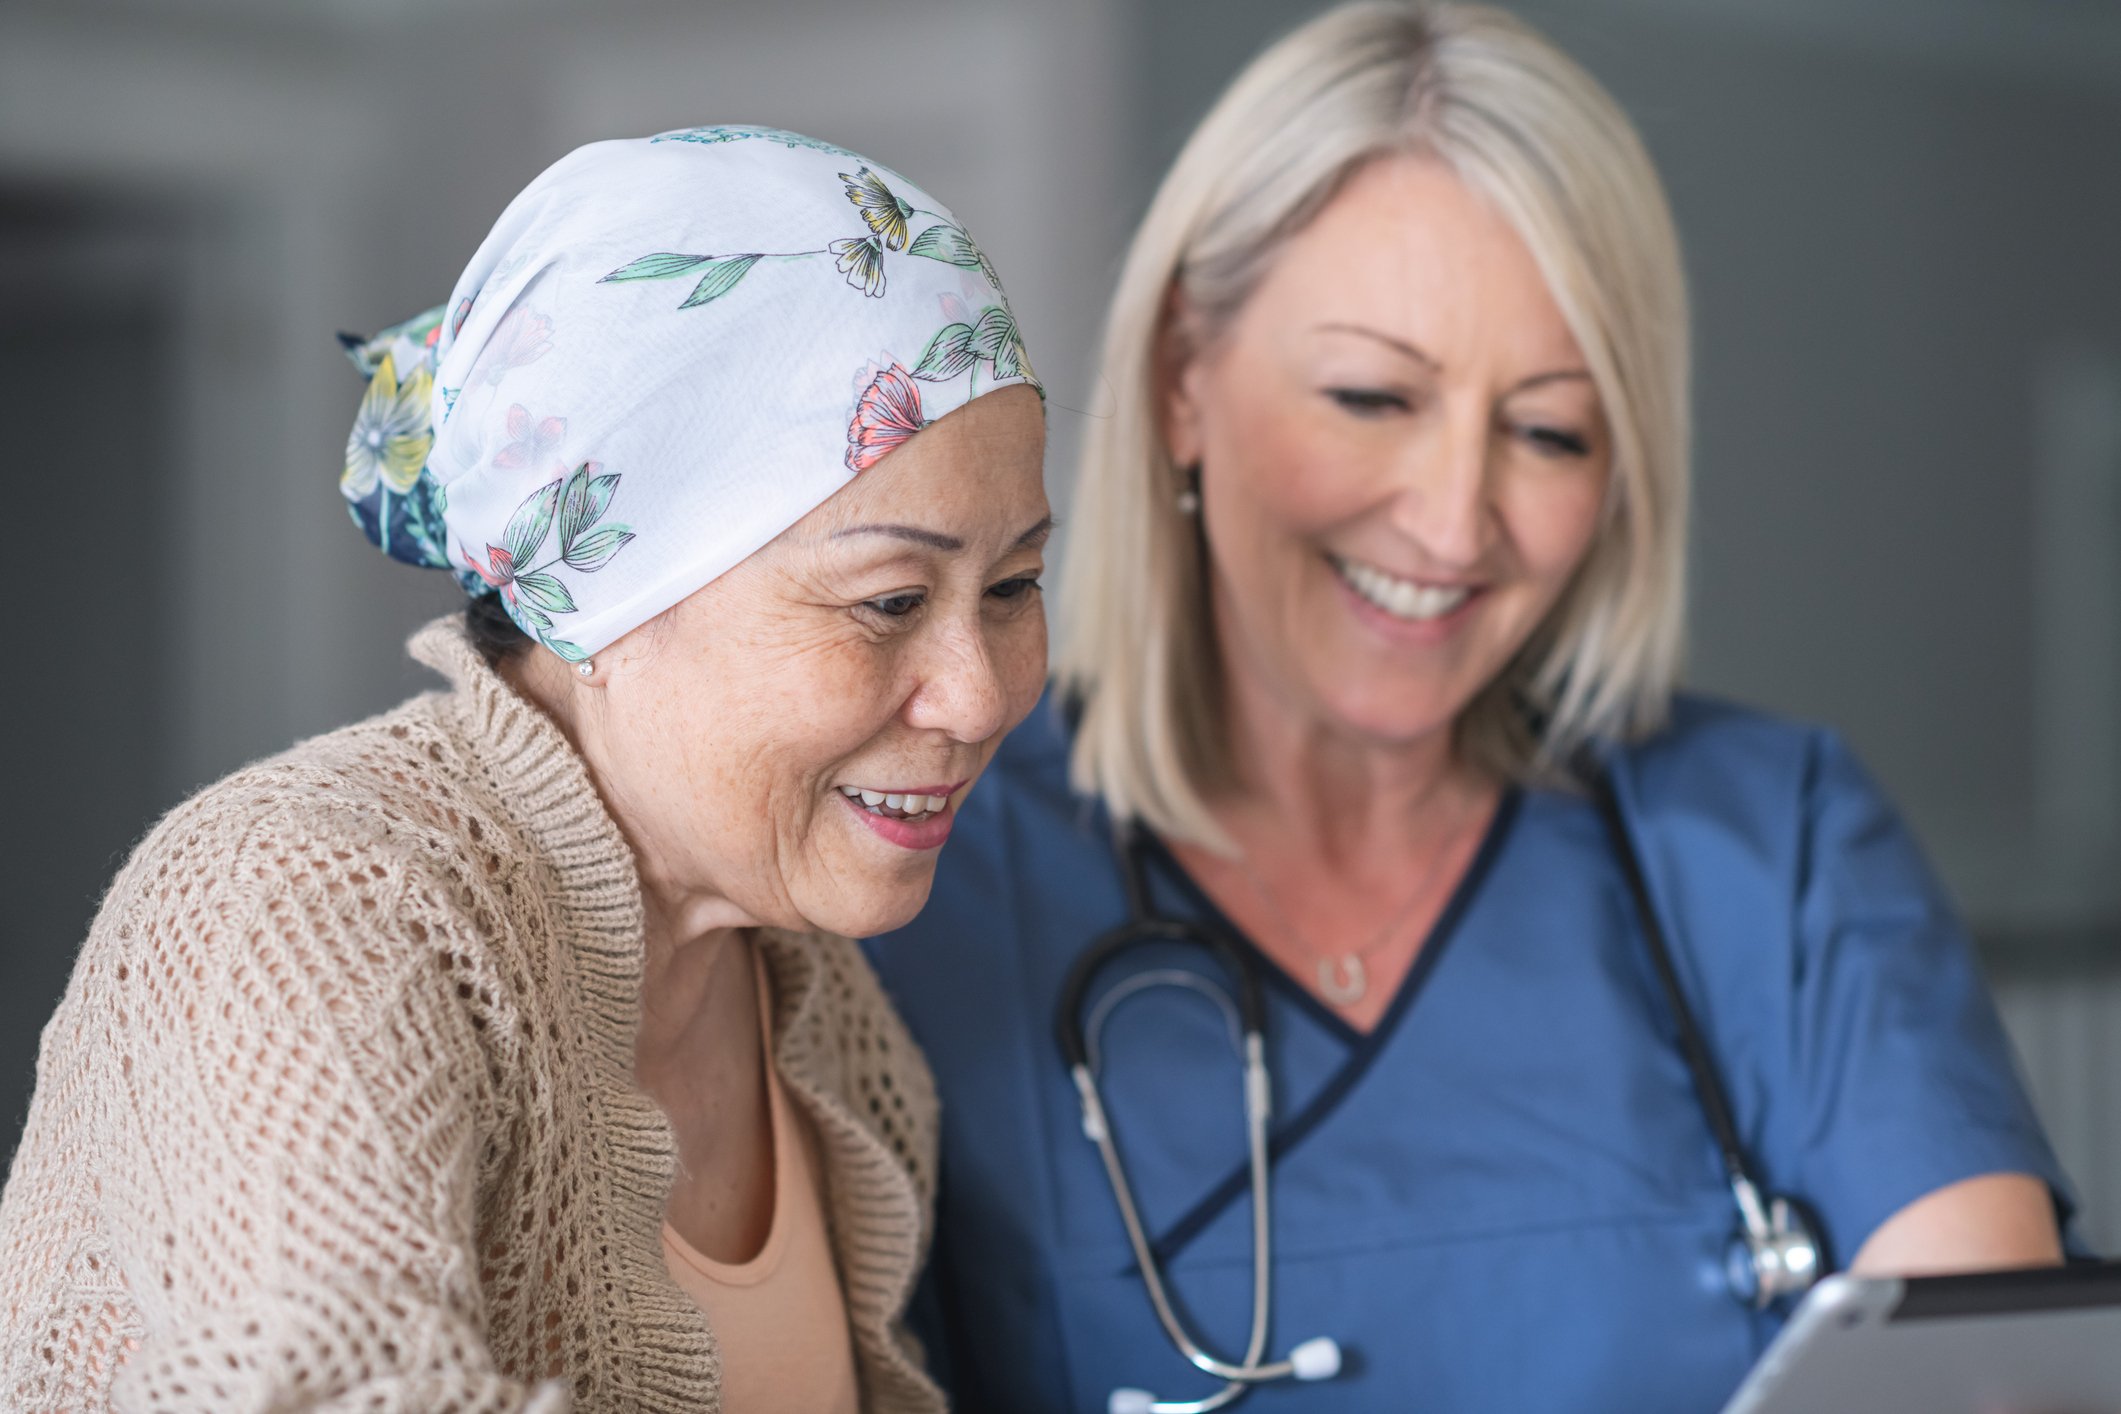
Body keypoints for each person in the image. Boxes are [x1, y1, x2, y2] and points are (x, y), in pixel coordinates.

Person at [861, 6, 2073, 1411]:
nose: (1451, 523)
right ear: (1184, 376)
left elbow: (1997, 1379)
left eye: (1549, 428)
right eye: (1374, 396)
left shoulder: (1771, 850)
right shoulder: (927, 877)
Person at [0, 126, 1049, 1412]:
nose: (985, 693)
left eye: (1012, 585)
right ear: (597, 599)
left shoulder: (811, 990)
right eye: (890, 600)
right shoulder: (299, 906)